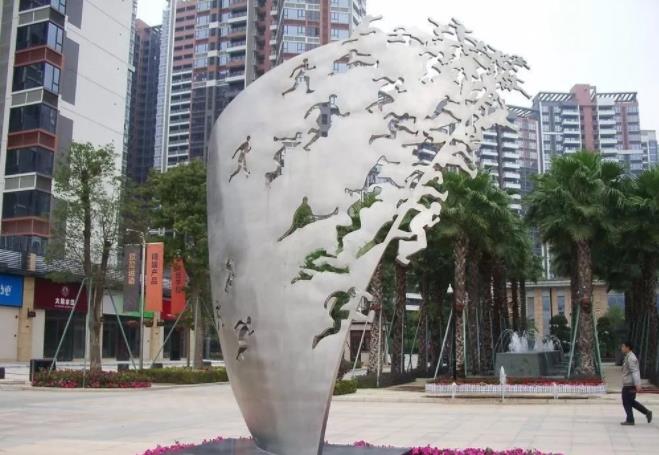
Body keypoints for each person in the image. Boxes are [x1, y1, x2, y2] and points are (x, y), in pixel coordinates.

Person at [620, 341, 653, 425]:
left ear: (628, 348)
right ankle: (647, 412)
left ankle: (630, 420)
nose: (622, 348)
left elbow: (635, 371)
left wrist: (637, 384)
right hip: (628, 383)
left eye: (623, 346)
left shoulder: (631, 358)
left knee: (626, 402)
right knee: (630, 401)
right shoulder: (628, 356)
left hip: (630, 384)